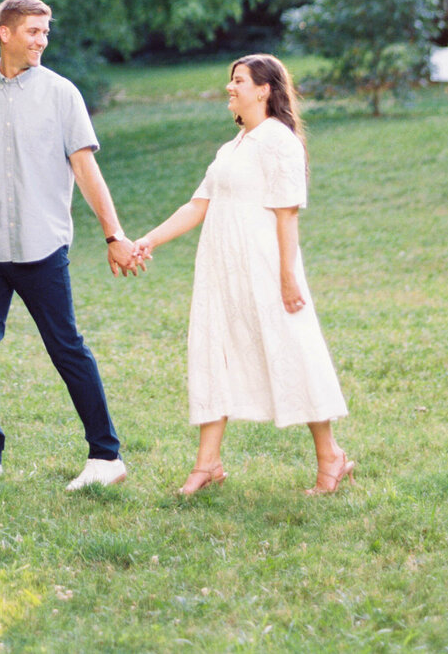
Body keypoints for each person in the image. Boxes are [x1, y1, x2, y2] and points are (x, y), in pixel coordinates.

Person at [0, 0, 140, 490]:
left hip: (43, 248)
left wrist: (114, 233)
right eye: (33, 31)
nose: (42, 40)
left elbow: (86, 168)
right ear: (5, 32)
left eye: (46, 32)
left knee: (67, 348)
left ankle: (106, 457)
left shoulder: (63, 95)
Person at [134, 53, 353, 496]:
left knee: (294, 352)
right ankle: (207, 463)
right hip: (220, 270)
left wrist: (288, 277)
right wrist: (148, 241)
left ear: (264, 90)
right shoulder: (230, 148)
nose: (230, 88)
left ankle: (331, 457)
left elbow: (287, 215)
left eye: (238, 81)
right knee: (215, 354)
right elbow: (199, 206)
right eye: (230, 81)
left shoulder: (279, 142)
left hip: (266, 269)